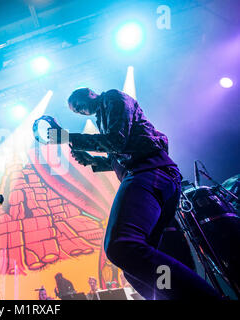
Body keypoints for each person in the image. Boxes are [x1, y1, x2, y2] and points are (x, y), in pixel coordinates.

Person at [49, 87, 221, 300]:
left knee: (121, 246)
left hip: (150, 172)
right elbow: (122, 152)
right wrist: (94, 161)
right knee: (138, 266)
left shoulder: (112, 98)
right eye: (77, 111)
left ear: (90, 93)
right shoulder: (103, 115)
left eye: (79, 105)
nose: (81, 111)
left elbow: (116, 141)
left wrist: (65, 136)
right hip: (154, 175)